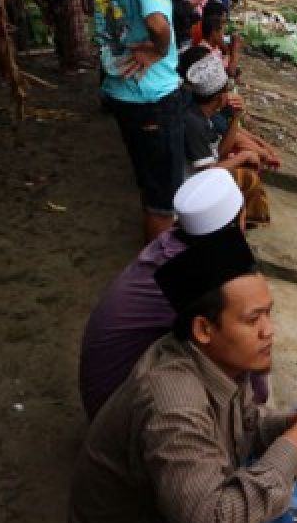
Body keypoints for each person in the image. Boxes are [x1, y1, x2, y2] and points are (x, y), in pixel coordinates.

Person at [67, 226, 297, 523]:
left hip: (185, 508)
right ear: (204, 330)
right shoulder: (172, 403)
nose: (269, 331)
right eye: (253, 320)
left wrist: (294, 425)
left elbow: (243, 429)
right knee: (270, 500)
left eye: (268, 314)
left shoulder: (223, 361)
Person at [79, 168, 251, 420]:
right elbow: (246, 355)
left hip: (104, 394)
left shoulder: (171, 244)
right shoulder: (196, 274)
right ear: (238, 221)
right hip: (113, 414)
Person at [92, 0, 184, 244]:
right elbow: (156, 22)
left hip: (120, 89)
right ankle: (156, 282)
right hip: (153, 96)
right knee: (163, 202)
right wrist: (160, 47)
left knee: (150, 184)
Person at [182, 49, 272, 225]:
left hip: (201, 176)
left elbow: (221, 154)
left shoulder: (203, 116)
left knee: (247, 164)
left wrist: (236, 117)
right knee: (248, 176)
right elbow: (207, 174)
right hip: (191, 188)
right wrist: (243, 156)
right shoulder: (194, 123)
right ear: (220, 96)